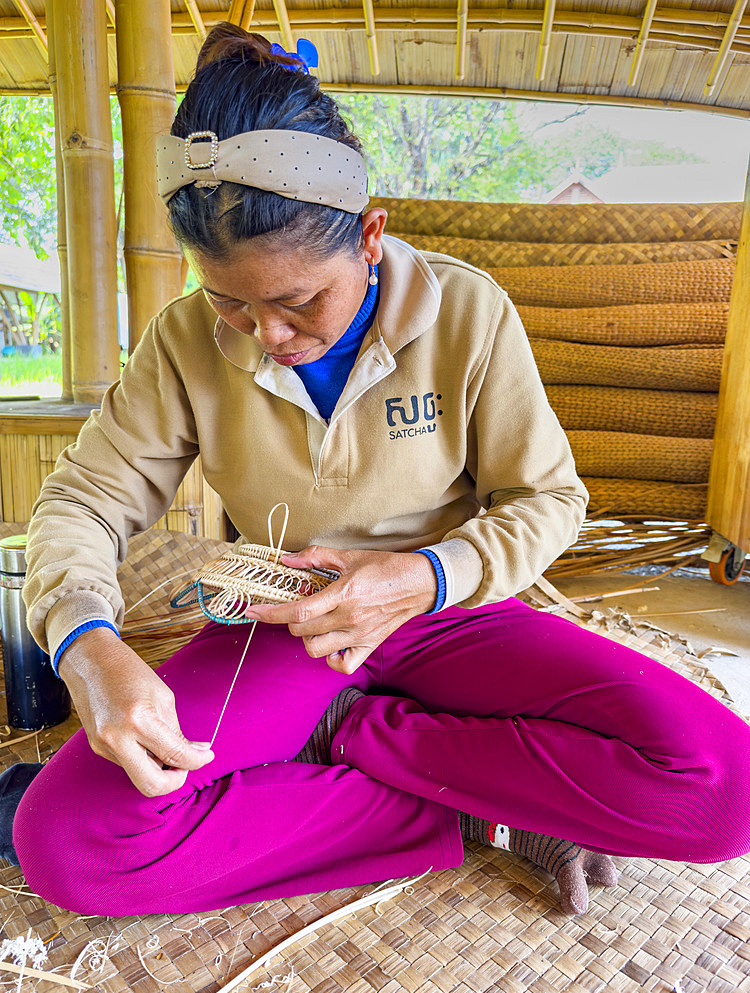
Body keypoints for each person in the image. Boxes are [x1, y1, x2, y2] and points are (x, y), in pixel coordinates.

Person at [10, 25, 750, 920]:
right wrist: (84, 646)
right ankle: (480, 802)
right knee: (70, 844)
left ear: (369, 236)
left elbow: (549, 499)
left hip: (448, 618)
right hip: (284, 627)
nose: (268, 338)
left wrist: (426, 574)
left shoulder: (467, 311)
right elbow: (86, 499)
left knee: (722, 789)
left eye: (294, 303)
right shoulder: (181, 342)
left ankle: (348, 736)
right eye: (229, 302)